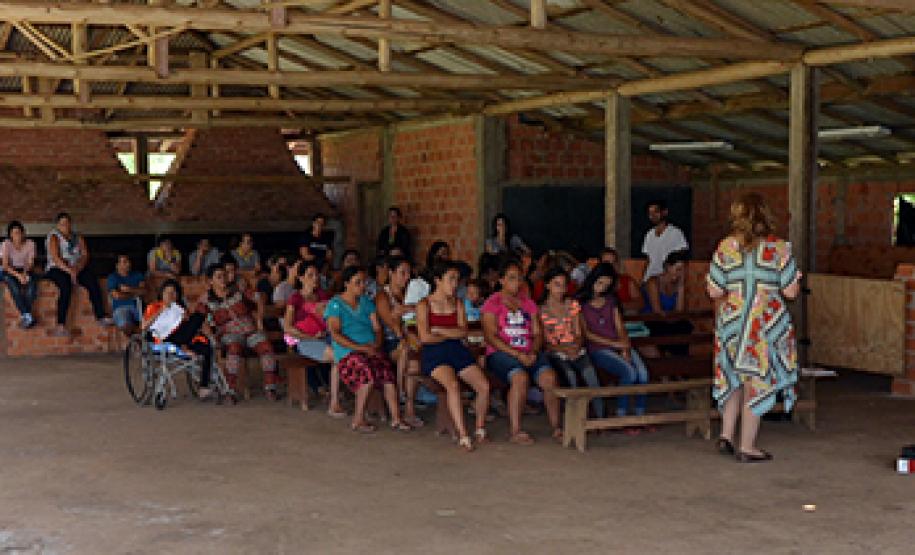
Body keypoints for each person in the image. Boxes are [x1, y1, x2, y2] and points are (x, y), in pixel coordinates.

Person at [707, 193, 801, 463]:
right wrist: (795, 279)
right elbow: (790, 292)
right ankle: (747, 446)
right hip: (763, 325)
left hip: (732, 324)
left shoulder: (726, 247)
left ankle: (726, 436)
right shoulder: (778, 248)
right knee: (755, 382)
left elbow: (714, 290)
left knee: (733, 378)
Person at [481, 259, 561, 445]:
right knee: (520, 378)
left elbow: (537, 333)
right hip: (501, 353)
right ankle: (515, 430)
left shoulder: (528, 303)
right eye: (511, 278)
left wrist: (533, 352)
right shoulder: (492, 303)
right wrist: (517, 355)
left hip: (528, 351)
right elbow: (491, 336)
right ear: (501, 280)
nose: (517, 282)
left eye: (519, 278)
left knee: (549, 378)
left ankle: (556, 427)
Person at [324, 266, 410, 433]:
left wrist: (376, 344)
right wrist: (360, 347)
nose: (362, 286)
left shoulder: (366, 302)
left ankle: (396, 418)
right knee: (366, 375)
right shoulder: (335, 304)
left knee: (387, 375)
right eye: (358, 282)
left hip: (370, 349)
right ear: (347, 283)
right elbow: (335, 333)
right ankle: (358, 419)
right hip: (348, 352)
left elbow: (377, 329)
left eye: (363, 282)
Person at [416, 262, 491, 451]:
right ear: (438, 281)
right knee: (452, 385)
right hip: (434, 353)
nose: (455, 284)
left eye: (457, 279)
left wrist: (440, 330)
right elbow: (425, 337)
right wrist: (451, 332)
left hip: (457, 350)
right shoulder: (424, 304)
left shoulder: (457, 303)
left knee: (483, 386)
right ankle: (463, 434)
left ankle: (480, 428)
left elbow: (463, 332)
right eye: (451, 279)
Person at [579, 263, 651, 431]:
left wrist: (624, 347)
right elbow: (587, 334)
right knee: (629, 372)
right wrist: (616, 344)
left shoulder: (611, 301)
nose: (601, 288)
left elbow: (620, 328)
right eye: (599, 283)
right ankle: (622, 415)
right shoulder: (581, 303)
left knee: (643, 373)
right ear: (592, 280)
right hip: (598, 349)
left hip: (619, 345)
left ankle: (640, 416)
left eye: (606, 284)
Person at [194, 263, 279, 402]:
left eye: (224, 276)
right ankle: (230, 390)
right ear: (210, 281)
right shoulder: (206, 300)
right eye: (218, 277)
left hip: (250, 330)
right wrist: (211, 335)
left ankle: (270, 387)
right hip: (229, 334)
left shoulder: (239, 290)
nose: (223, 279)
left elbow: (260, 298)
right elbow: (199, 320)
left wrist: (259, 320)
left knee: (266, 346)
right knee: (234, 348)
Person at [539, 267, 604, 418]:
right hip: (555, 353)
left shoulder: (572, 305)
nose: (561, 289)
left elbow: (579, 333)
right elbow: (545, 342)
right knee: (570, 377)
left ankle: (601, 418)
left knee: (591, 376)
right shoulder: (540, 310)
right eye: (557, 284)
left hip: (576, 349)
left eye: (563, 285)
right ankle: (576, 419)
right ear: (547, 285)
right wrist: (564, 349)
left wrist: (576, 346)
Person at [143, 279, 216, 400]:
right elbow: (144, 327)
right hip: (163, 339)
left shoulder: (179, 308)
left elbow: (188, 327)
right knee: (191, 324)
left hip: (183, 337)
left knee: (206, 346)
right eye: (168, 292)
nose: (171, 295)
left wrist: (184, 318)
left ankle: (203, 386)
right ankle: (184, 347)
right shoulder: (153, 306)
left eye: (174, 293)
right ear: (162, 294)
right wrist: (161, 310)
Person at [374, 256, 423, 427]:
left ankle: (408, 406)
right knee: (407, 351)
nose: (407, 277)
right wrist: (403, 335)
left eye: (409, 273)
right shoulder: (383, 296)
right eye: (402, 273)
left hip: (410, 340)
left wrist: (406, 309)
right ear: (391, 273)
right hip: (390, 342)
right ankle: (403, 396)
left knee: (414, 364)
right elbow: (391, 322)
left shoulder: (411, 294)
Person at [44, 212, 112, 336]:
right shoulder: (54, 237)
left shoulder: (77, 237)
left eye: (67, 223)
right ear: (58, 225)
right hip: (58, 268)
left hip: (76, 268)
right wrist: (69, 271)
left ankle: (101, 316)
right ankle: (61, 324)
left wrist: (77, 268)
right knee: (65, 286)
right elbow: (55, 257)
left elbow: (85, 254)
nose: (65, 226)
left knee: (92, 282)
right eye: (62, 224)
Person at [642, 249, 693, 357]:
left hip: (671, 320)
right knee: (666, 330)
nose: (680, 273)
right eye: (678, 269)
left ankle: (680, 367)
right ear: (668, 267)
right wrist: (671, 319)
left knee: (684, 327)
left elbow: (680, 311)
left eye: (683, 270)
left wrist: (681, 287)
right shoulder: (653, 282)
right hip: (652, 320)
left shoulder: (680, 285)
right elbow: (657, 310)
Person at [283, 260, 333, 364]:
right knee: (334, 354)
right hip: (304, 340)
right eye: (310, 275)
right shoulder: (296, 299)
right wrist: (312, 337)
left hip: (326, 337)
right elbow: (287, 327)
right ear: (301, 278)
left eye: (316, 274)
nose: (315, 278)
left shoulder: (323, 295)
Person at [0, 221, 38, 328]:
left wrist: (25, 274)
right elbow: (5, 265)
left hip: (24, 269)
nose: (17, 235)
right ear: (10, 235)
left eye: (19, 232)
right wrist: (19, 276)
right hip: (9, 270)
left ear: (23, 233)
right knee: (12, 285)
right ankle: (26, 314)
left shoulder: (30, 243)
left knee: (32, 287)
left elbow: (30, 263)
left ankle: (26, 315)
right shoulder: (6, 244)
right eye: (14, 233)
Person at [641, 199, 689, 283]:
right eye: (650, 213)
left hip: (667, 279)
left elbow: (681, 255)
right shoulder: (649, 235)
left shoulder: (675, 233)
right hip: (650, 277)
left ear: (664, 212)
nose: (653, 215)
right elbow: (648, 259)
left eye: (656, 212)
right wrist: (642, 279)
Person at [107, 254, 146, 333]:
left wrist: (128, 289)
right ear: (117, 265)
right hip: (121, 308)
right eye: (124, 262)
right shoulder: (113, 277)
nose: (128, 264)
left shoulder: (137, 275)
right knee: (125, 325)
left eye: (128, 261)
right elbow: (117, 295)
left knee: (153, 322)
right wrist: (135, 294)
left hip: (138, 307)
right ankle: (137, 334)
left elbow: (144, 291)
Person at [601, 247, 642, 313]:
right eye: (607, 263)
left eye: (614, 262)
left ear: (618, 264)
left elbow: (640, 303)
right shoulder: (593, 283)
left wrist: (618, 306)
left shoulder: (628, 281)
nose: (611, 266)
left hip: (627, 319)